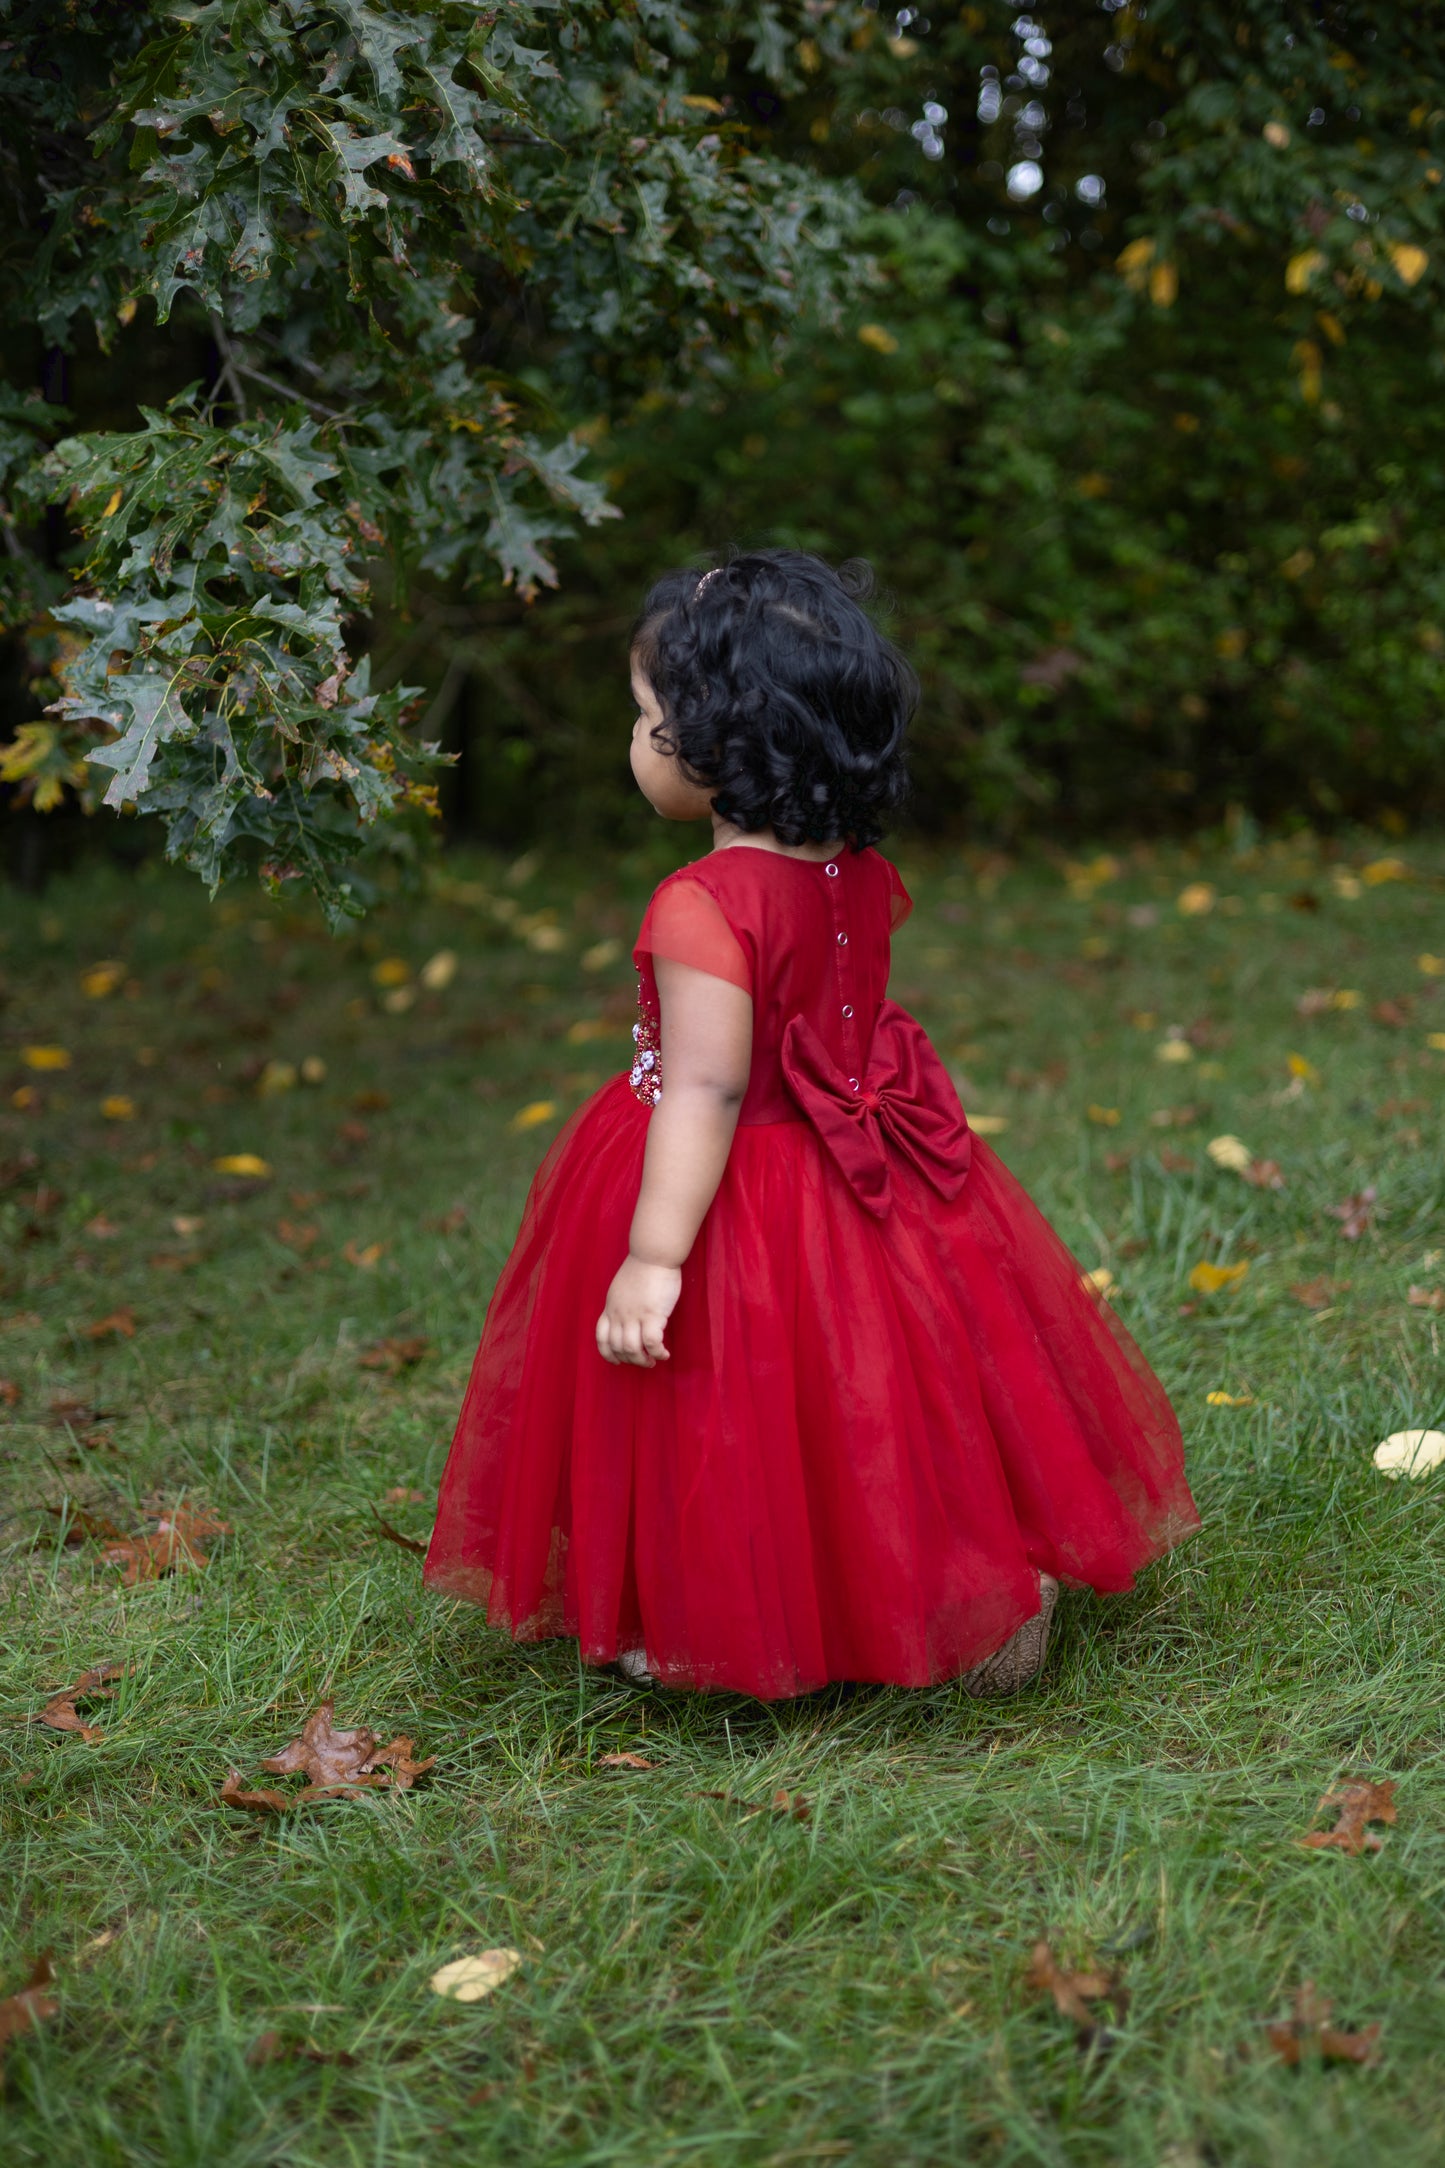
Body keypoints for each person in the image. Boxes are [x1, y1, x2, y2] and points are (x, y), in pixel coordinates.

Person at [425, 551, 1198, 1697]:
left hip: (735, 1187)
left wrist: (653, 1252)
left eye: (645, 720)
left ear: (723, 749)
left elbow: (705, 1088)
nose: (632, 744)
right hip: (866, 1166)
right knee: (876, 1400)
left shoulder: (699, 905)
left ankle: (723, 1616)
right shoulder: (852, 871)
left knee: (720, 1409)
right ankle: (964, 1595)